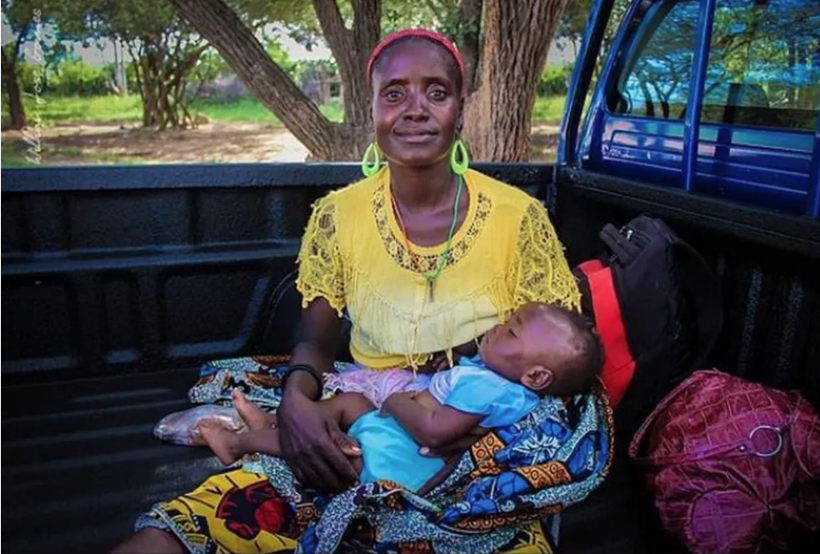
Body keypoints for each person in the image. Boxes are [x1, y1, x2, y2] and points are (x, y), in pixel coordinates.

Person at [114, 28, 581, 554]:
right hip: (365, 418)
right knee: (190, 526)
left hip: (475, 450)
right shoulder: (339, 215)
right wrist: (295, 404)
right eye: (394, 93)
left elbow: (550, 357)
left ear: (460, 108)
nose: (415, 109)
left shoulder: (518, 217)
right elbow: (315, 341)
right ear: (372, 108)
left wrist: (477, 432)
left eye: (436, 92)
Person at [199, 303, 602, 494]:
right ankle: (271, 428)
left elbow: (434, 433)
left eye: (511, 332)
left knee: (332, 442)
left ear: (536, 375)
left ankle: (237, 443)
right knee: (350, 402)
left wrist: (392, 403)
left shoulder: (490, 388)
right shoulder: (502, 382)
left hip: (397, 456)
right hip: (402, 435)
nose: (498, 327)